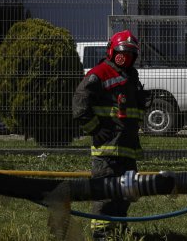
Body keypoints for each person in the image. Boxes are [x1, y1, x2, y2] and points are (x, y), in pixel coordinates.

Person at [72, 30, 148, 240]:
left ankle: (118, 232)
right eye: (124, 52)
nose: (128, 58)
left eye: (132, 54)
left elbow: (126, 112)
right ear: (113, 51)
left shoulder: (131, 76)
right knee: (105, 195)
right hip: (107, 152)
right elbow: (79, 105)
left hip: (127, 149)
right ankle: (101, 234)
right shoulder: (100, 73)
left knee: (125, 195)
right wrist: (95, 129)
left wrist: (140, 101)